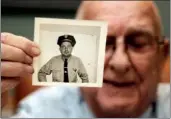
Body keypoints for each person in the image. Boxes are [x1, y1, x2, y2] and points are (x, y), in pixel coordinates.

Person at [1, 1, 170, 118]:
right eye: (103, 43)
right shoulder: (41, 111)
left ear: (163, 54)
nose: (120, 63)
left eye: (138, 43)